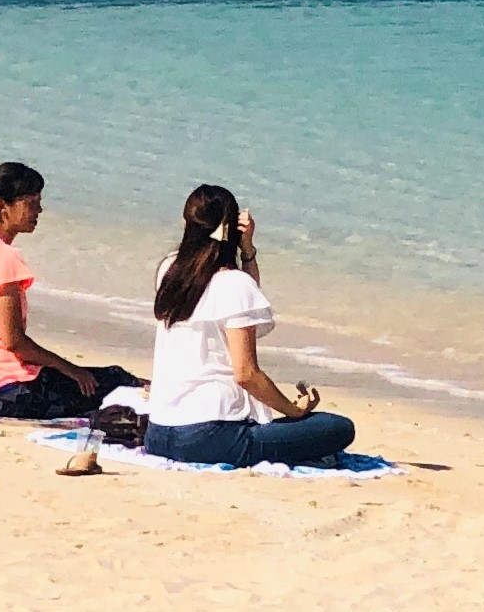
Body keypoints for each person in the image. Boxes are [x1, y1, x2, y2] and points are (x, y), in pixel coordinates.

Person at [140, 184, 359, 469]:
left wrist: (247, 254)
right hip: (207, 436)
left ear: (186, 224)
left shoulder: (168, 269)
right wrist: (292, 411)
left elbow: (243, 304)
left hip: (158, 432)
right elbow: (246, 374)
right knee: (338, 428)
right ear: (231, 229)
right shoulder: (233, 284)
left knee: (292, 430)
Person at [0, 160, 140, 421]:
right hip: (3, 392)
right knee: (116, 381)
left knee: (102, 379)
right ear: (2, 206)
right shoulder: (3, 258)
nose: (39, 210)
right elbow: (14, 341)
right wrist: (70, 369)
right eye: (30, 202)